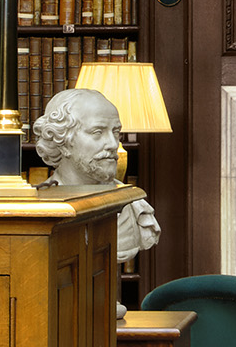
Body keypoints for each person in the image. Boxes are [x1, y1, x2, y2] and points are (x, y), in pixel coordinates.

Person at [29, 86, 162, 269]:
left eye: (116, 132)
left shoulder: (129, 203)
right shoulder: (40, 209)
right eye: (97, 132)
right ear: (63, 141)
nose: (113, 143)